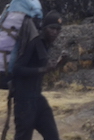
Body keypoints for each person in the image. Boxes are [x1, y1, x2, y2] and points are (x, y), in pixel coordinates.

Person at [11, 10, 66, 140]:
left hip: (37, 99)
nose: (55, 32)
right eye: (52, 28)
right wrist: (43, 69)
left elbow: (40, 68)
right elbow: (17, 69)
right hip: (24, 102)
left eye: (58, 29)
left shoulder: (44, 45)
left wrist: (59, 64)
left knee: (52, 136)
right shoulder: (33, 43)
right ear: (44, 28)